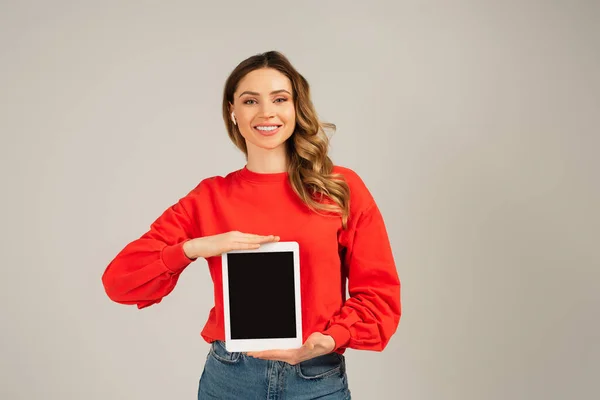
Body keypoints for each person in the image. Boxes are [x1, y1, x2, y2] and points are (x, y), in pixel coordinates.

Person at [101, 50, 401, 399]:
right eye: (250, 101)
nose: (266, 112)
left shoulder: (339, 188)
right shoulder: (210, 196)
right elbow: (119, 282)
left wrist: (332, 338)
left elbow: (380, 295)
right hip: (229, 378)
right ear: (232, 110)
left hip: (316, 378)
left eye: (279, 98)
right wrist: (195, 248)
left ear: (296, 107)